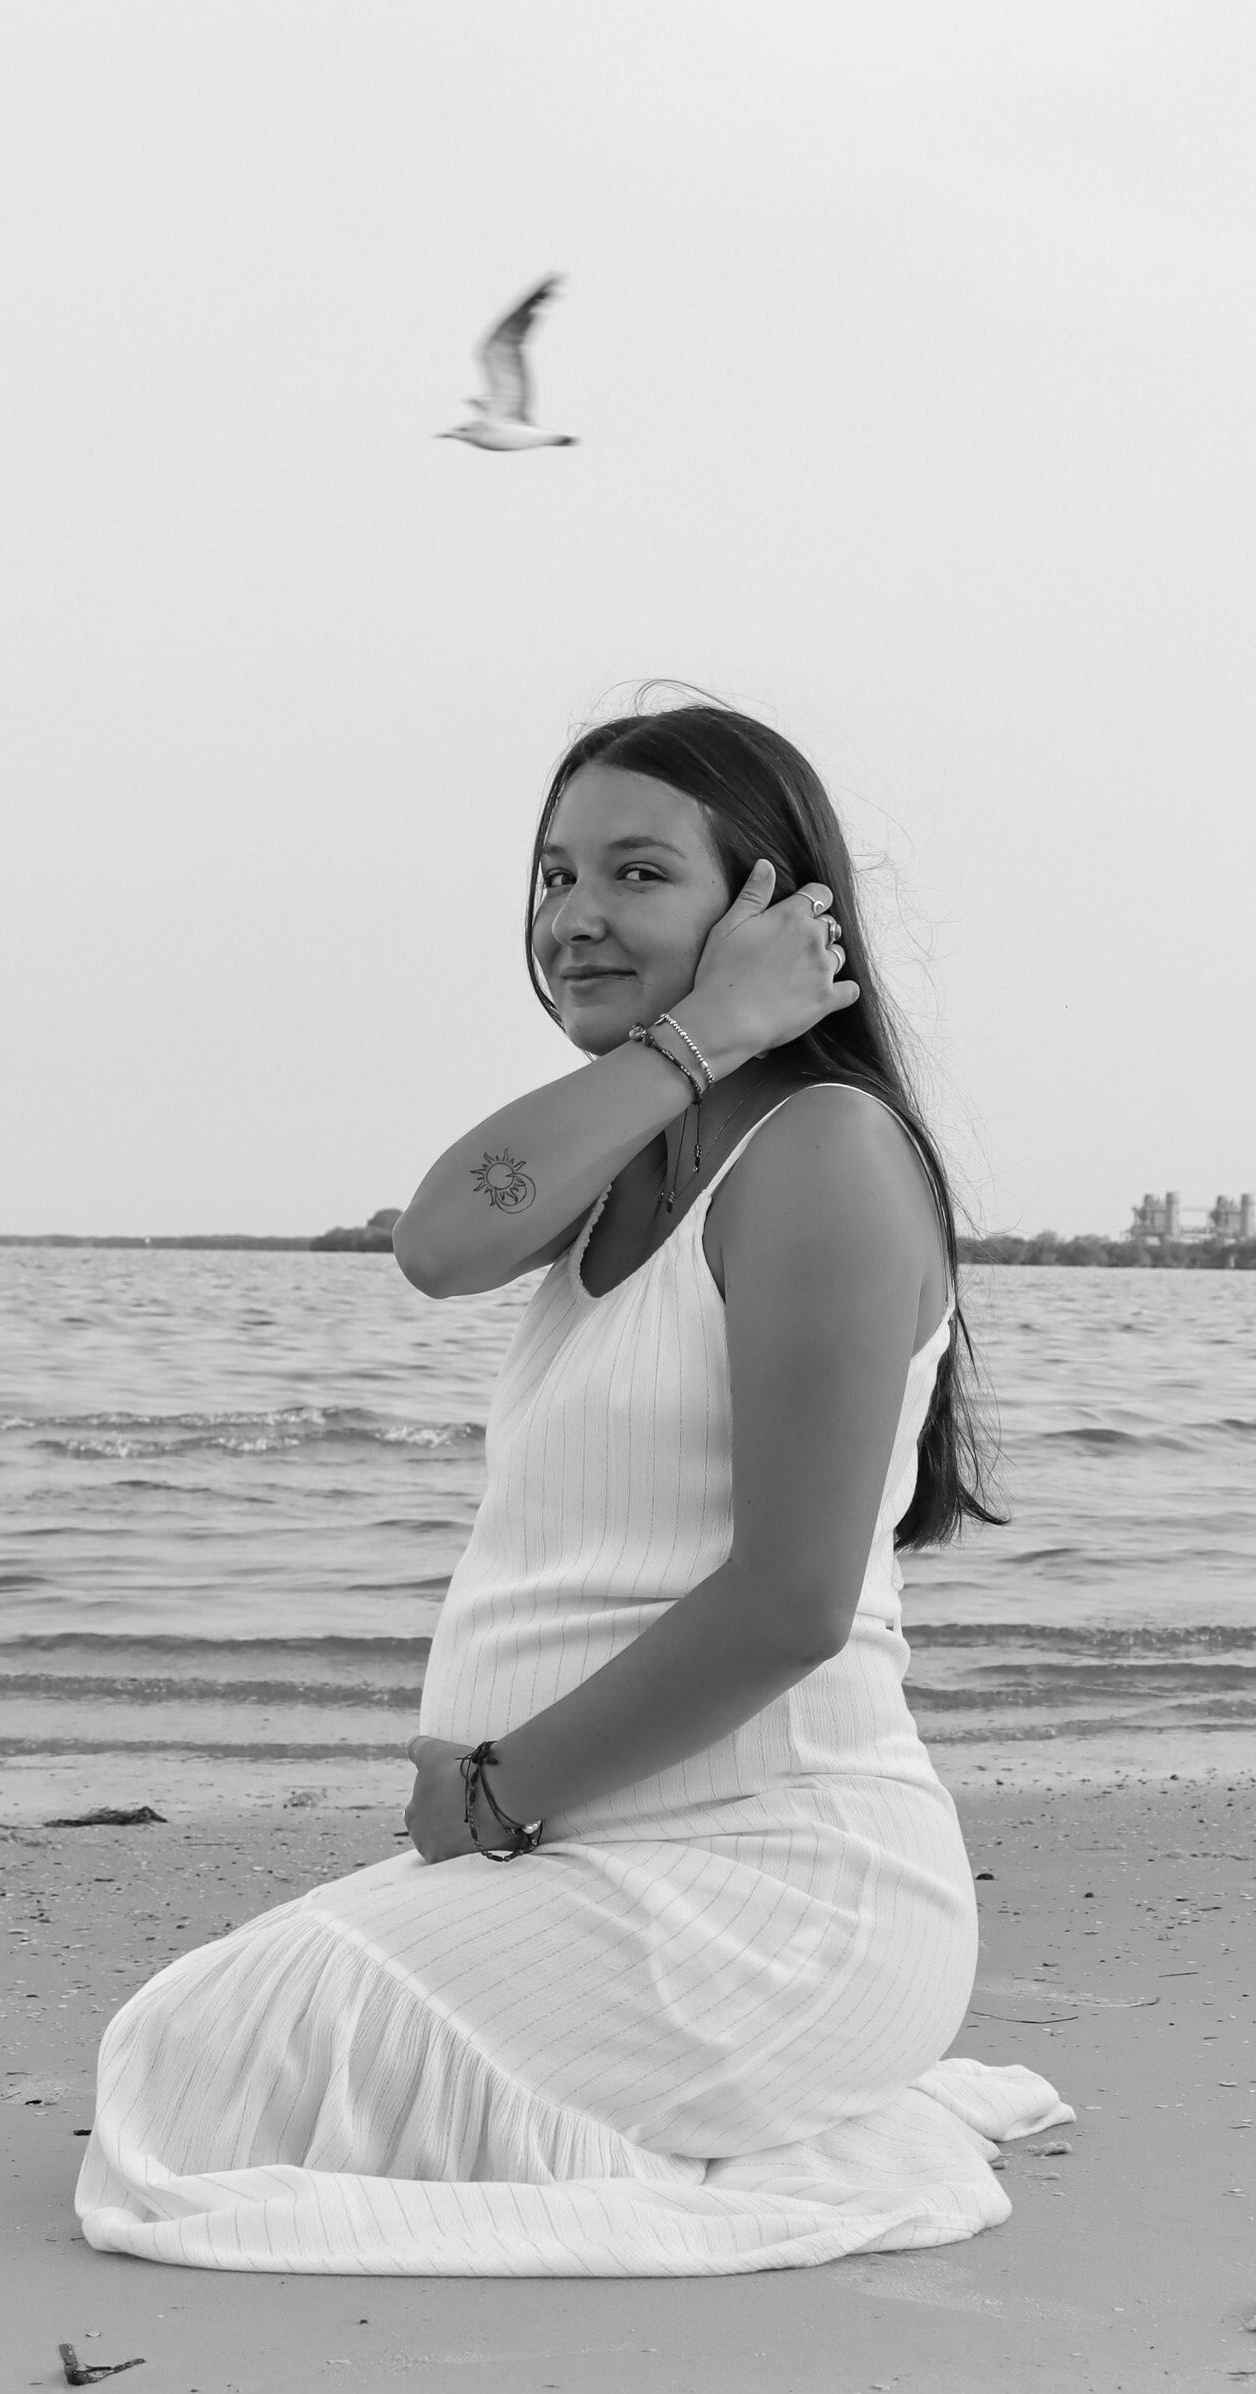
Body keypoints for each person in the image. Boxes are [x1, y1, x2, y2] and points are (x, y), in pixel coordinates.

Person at [75, 699, 1069, 2277]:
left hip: (776, 1883)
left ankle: (761, 2092)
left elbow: (792, 1604)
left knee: (188, 2067)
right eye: (553, 875)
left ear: (772, 906)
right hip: (588, 1860)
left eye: (637, 872)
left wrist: (492, 1790)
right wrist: (693, 1040)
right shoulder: (635, 1156)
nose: (575, 916)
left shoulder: (819, 1151)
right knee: (196, 2049)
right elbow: (436, 1244)